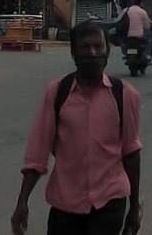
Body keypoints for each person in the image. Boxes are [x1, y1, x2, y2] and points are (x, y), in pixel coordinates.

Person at [11, 21, 142, 235]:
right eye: (85, 47)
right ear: (74, 53)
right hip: (66, 205)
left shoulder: (124, 94)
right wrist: (22, 202)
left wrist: (134, 207)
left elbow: (131, 152)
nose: (93, 53)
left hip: (109, 202)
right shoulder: (57, 93)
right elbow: (38, 151)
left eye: (98, 46)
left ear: (107, 51)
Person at [122, 0, 152, 66]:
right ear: (140, 2)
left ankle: (124, 53)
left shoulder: (126, 10)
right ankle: (148, 55)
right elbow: (147, 26)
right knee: (149, 39)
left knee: (123, 42)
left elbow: (120, 21)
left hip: (127, 36)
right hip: (139, 36)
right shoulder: (142, 12)